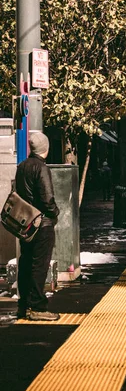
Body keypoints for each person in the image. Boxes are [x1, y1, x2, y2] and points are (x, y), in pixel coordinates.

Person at [15, 132, 60, 321]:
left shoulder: (22, 166)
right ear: (46, 149)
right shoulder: (41, 168)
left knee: (25, 263)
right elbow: (47, 197)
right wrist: (55, 212)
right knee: (39, 265)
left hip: (25, 223)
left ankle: (23, 305)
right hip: (42, 223)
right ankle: (38, 307)